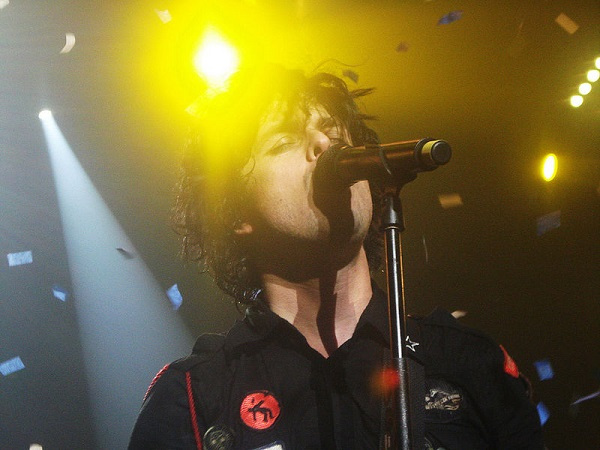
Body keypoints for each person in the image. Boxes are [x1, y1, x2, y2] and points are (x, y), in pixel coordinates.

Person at [129, 65, 544, 449]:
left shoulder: (466, 361)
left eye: (337, 136)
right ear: (236, 213)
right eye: (284, 141)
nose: (324, 145)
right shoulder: (195, 396)